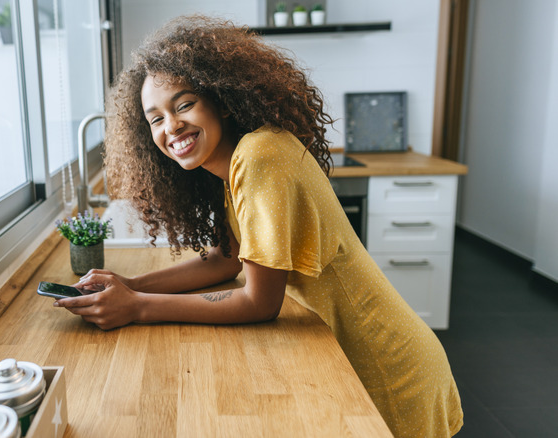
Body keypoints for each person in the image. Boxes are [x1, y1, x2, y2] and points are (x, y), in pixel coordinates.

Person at [53, 15, 463, 437]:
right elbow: (223, 262)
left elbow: (258, 302)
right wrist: (130, 285)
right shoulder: (232, 165)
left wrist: (136, 306)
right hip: (357, 351)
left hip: (388, 363)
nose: (171, 126)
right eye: (155, 118)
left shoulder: (260, 155)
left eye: (183, 104)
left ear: (222, 100)